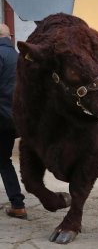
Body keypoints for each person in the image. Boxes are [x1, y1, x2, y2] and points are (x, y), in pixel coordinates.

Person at [0, 23, 27, 219]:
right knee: (3, 160)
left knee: (2, 161)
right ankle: (17, 204)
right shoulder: (20, 58)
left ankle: (18, 204)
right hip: (13, 119)